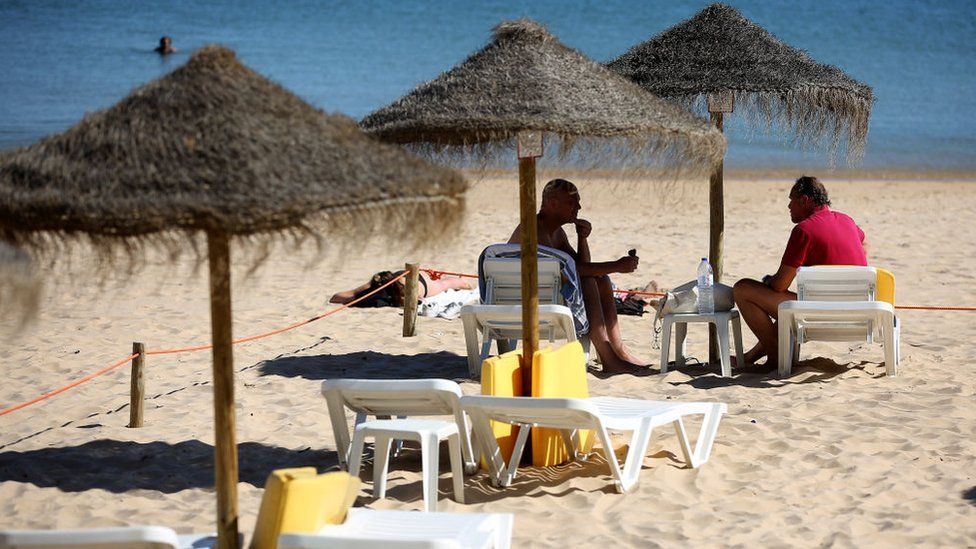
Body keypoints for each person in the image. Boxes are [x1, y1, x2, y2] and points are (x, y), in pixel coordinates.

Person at [508, 178, 646, 375]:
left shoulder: (556, 232)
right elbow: (578, 272)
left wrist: (582, 239)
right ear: (553, 203)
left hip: (543, 297)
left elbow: (578, 266)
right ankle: (609, 358)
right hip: (528, 305)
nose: (579, 206)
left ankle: (618, 352)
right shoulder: (535, 230)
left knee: (601, 280)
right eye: (573, 202)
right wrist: (616, 266)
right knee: (589, 280)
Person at [733, 176, 868, 369]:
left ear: (804, 200)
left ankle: (775, 358)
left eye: (791, 199)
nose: (789, 206)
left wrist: (769, 281)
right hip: (857, 313)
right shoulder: (847, 221)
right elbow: (864, 243)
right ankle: (751, 357)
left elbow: (780, 285)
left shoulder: (804, 230)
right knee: (790, 303)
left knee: (743, 289)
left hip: (820, 315)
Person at [330, 269, 473, 308]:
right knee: (445, 283)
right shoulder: (380, 288)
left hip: (416, 280)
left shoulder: (410, 290)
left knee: (446, 283)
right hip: (413, 277)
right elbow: (336, 297)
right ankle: (462, 281)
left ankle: (463, 281)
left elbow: (337, 297)